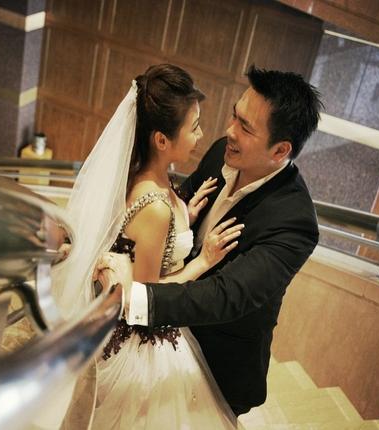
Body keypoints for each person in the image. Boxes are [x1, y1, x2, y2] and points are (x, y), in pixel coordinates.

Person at [96, 65, 323, 417]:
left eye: (245, 127)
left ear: (280, 150)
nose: (229, 131)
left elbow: (225, 294)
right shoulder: (223, 152)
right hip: (159, 340)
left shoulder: (294, 223)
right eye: (235, 115)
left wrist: (132, 297)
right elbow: (173, 212)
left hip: (219, 361)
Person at [53, 64, 243, 429]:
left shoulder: (148, 178)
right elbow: (146, 296)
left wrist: (183, 213)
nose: (201, 135)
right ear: (161, 140)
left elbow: (139, 242)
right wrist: (202, 261)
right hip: (143, 344)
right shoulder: (154, 207)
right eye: (194, 126)